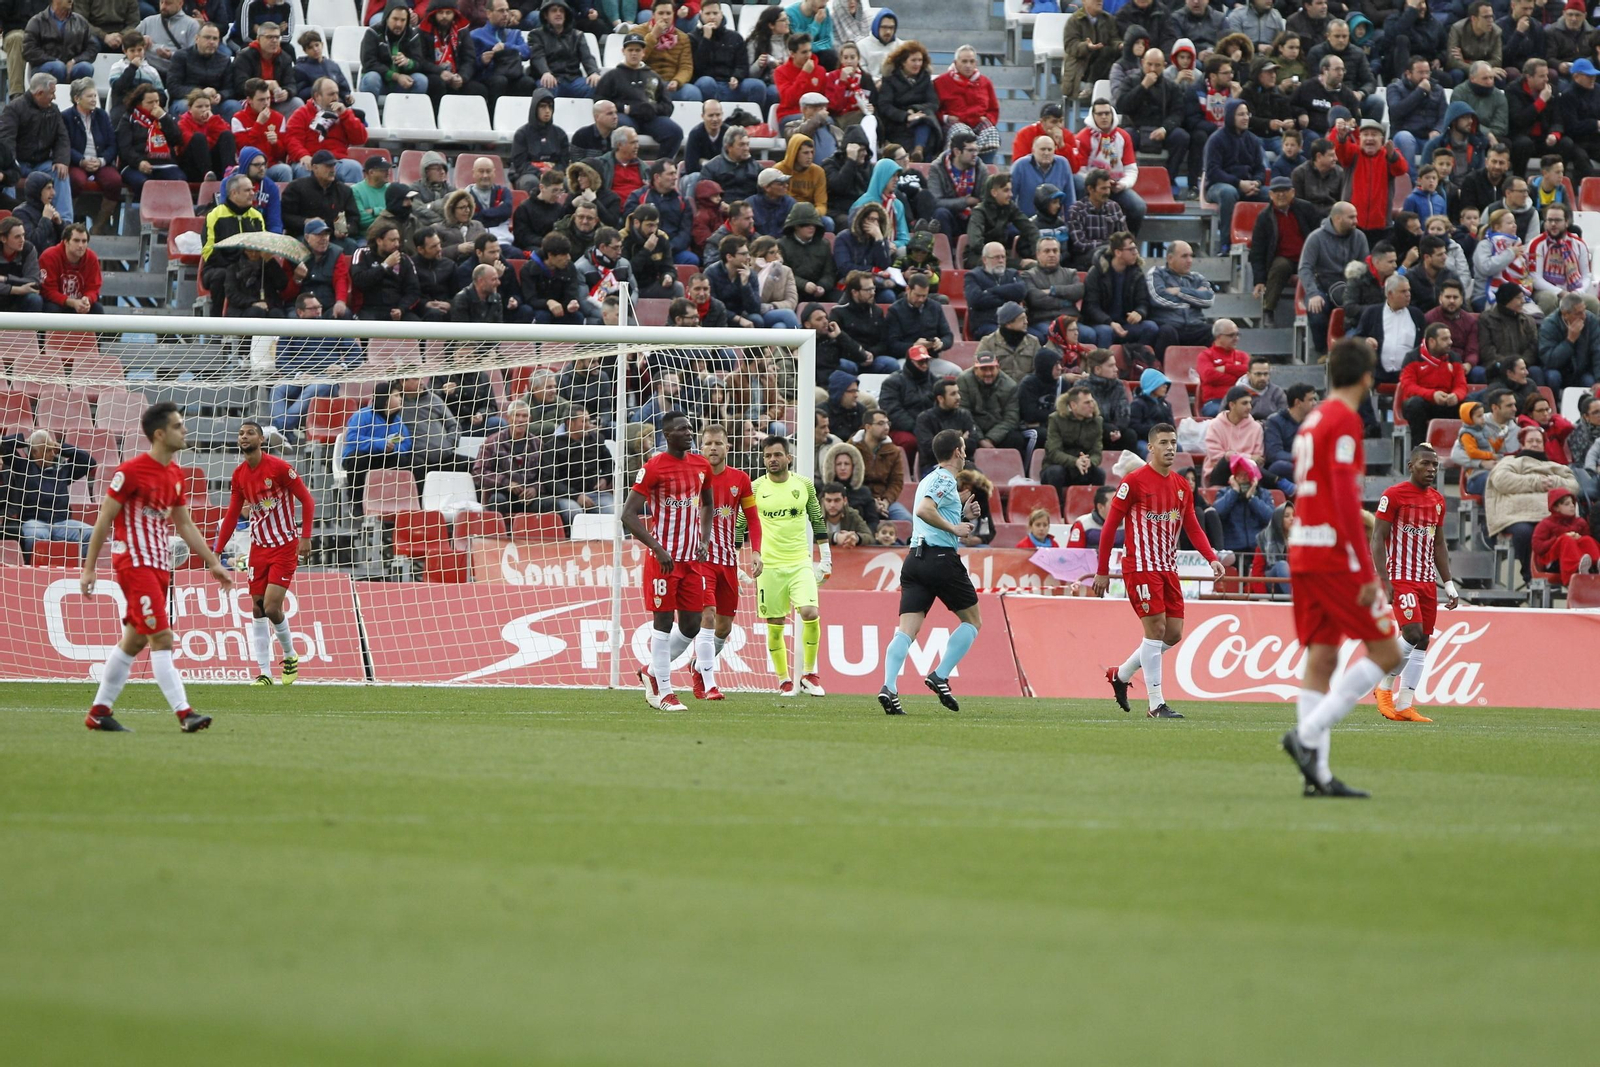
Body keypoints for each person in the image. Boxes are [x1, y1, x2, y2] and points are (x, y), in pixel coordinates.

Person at [1282, 339, 1403, 798]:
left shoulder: (1312, 421)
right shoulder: (1345, 420)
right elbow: (1345, 499)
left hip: (1303, 549)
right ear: (1368, 378)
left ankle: (1316, 776)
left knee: (1323, 658)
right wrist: (1368, 570)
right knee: (1389, 653)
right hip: (1334, 554)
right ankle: (1307, 735)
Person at [78, 402, 232, 733]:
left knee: (134, 642)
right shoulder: (131, 472)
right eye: (177, 426)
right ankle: (185, 714)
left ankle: (99, 712)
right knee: (162, 638)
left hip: (160, 565)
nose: (184, 430)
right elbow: (104, 518)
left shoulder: (175, 474)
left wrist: (213, 563)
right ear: (160, 434)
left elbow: (184, 524)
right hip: (134, 564)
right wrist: (89, 568)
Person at [1094, 421, 1225, 719]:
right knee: (1155, 630)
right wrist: (1102, 570)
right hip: (1140, 566)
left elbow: (1192, 526)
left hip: (1168, 567)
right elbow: (1110, 526)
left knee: (1173, 633)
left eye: (1173, 442)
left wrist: (1211, 557)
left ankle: (1121, 674)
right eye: (1163, 443)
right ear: (1151, 447)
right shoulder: (1134, 482)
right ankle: (1156, 704)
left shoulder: (1181, 486)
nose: (1170, 448)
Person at [873, 427, 982, 714]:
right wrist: (955, 528)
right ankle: (940, 675)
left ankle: (889, 686)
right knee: (972, 621)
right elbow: (924, 510)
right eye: (964, 448)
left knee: (906, 631)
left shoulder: (928, 479)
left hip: (914, 560)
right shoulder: (945, 478)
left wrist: (961, 514)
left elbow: (930, 512)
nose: (966, 453)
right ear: (957, 451)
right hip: (940, 558)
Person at [619, 410, 713, 709]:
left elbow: (708, 504)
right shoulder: (654, 467)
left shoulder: (701, 465)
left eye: (690, 428)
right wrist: (658, 549)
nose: (689, 433)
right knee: (662, 622)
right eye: (682, 429)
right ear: (667, 434)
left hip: (691, 561)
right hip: (664, 561)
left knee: (692, 625)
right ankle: (664, 691)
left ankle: (651, 671)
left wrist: (704, 539)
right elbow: (628, 515)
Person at [209, 420, 313, 687]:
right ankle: (264, 673)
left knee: (271, 607)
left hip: (285, 546)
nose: (244, 436)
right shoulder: (239, 475)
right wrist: (216, 551)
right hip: (258, 548)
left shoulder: (279, 468)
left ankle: (290, 655)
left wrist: (305, 537)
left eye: (250, 433)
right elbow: (232, 515)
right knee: (257, 609)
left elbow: (307, 500)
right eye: (241, 433)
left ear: (261, 440)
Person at [1369, 444, 1459, 722]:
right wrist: (1384, 579)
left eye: (1435, 465)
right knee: (1412, 633)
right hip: (1401, 577)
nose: (1431, 469)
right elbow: (1377, 538)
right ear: (1411, 466)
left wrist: (1449, 583)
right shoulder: (1394, 495)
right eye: (1425, 464)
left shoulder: (1438, 500)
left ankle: (1405, 704)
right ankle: (1384, 686)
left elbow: (1439, 544)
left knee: (1423, 641)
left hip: (1427, 581)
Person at [741, 433, 830, 697]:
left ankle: (809, 674)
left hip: (799, 561)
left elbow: (816, 518)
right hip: (768, 566)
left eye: (777, 454)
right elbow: (741, 524)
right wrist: (736, 562)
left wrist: (826, 558)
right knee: (775, 622)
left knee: (810, 612)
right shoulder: (755, 488)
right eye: (768, 456)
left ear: (788, 457)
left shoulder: (804, 484)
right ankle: (784, 680)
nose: (772, 459)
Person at [1488, 425, 1581, 583]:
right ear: (1522, 444)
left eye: (1538, 441)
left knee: (1565, 531)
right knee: (1525, 532)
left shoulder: (1556, 466)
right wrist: (1536, 482)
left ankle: (1557, 569)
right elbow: (1501, 480)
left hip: (1550, 516)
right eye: (1530, 441)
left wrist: (1554, 482)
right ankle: (1530, 576)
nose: (1535, 444)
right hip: (1518, 516)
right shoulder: (1510, 462)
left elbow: (1573, 486)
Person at [1, 428, 94, 558]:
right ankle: (30, 566)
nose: (52, 454)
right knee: (37, 535)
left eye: (53, 450)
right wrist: (24, 441)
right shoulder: (22, 466)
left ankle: (78, 565)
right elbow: (4, 444)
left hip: (62, 523)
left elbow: (89, 461)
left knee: (91, 533)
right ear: (34, 452)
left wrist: (61, 448)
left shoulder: (62, 470)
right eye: (47, 450)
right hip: (34, 522)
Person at [1, 72, 73, 223]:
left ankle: (65, 222)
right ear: (39, 93)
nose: (54, 97)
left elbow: (62, 138)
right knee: (7, 175)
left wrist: (61, 160)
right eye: (51, 93)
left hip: (42, 163)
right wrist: (11, 164)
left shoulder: (54, 110)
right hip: (18, 162)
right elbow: (6, 141)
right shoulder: (14, 108)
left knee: (61, 172)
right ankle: (10, 221)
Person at [1080, 231, 1160, 351]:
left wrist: (1139, 312)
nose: (1136, 252)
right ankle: (1103, 362)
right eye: (1131, 249)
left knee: (1151, 327)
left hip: (1125, 324)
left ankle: (1138, 359)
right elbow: (1091, 307)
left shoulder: (1136, 273)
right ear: (1118, 252)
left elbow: (1143, 301)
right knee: (1106, 331)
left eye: (1135, 248)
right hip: (1102, 323)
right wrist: (1110, 322)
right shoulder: (1097, 272)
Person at [1397, 322, 1467, 445]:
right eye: (1445, 339)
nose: (1450, 342)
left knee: (1469, 406)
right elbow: (1408, 387)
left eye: (1450, 338)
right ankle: (1420, 449)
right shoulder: (1412, 357)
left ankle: (1464, 448)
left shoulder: (1454, 358)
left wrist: (1456, 396)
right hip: (1422, 404)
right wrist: (1432, 395)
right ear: (1432, 341)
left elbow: (1461, 385)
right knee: (1415, 404)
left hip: (1446, 403)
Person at [1146, 239, 1215, 355]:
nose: (1189, 260)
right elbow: (1159, 297)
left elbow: (1208, 300)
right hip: (1169, 325)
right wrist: (1194, 299)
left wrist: (1180, 291)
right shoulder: (1157, 273)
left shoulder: (1198, 278)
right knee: (1167, 332)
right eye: (1184, 256)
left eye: (1191, 256)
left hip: (1195, 325)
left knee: (1214, 331)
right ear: (1170, 258)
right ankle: (1161, 366)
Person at [1533, 486, 1600, 585]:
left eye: (1573, 503)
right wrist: (1557, 539)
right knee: (1566, 540)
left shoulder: (1580, 522)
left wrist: (1579, 538)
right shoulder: (1546, 524)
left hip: (1580, 557)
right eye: (1567, 504)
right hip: (1554, 562)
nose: (1572, 506)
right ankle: (1575, 569)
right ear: (1556, 507)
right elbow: (1538, 547)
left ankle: (1595, 564)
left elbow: (1589, 540)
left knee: (1586, 539)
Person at [21, 0, 94, 87]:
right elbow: (28, 50)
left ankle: (77, 93)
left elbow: (92, 47)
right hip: (44, 66)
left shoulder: (80, 21)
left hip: (73, 66)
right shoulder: (37, 21)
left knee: (85, 68)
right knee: (58, 67)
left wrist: (74, 61)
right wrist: (53, 60)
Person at [914, 378, 979, 472]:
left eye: (958, 392)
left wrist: (943, 443)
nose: (958, 397)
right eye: (953, 394)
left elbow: (972, 445)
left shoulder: (965, 415)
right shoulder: (924, 419)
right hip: (935, 467)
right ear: (940, 398)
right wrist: (961, 440)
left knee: (979, 479)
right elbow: (929, 450)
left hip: (965, 466)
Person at [39, 222, 101, 314]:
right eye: (76, 241)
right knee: (52, 308)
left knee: (97, 308)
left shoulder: (92, 258)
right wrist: (72, 302)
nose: (81, 245)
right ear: (66, 242)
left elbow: (94, 288)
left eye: (84, 241)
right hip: (56, 303)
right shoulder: (49, 256)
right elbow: (48, 291)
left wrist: (87, 299)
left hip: (80, 303)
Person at [1197, 319, 1250, 416]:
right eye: (1231, 335)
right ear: (1218, 337)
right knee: (1219, 413)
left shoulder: (1243, 356)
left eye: (1237, 334)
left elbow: (1249, 372)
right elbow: (1209, 376)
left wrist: (1226, 368)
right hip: (1215, 401)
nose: (1236, 338)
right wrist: (1238, 377)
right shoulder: (1206, 355)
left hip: (1241, 400)